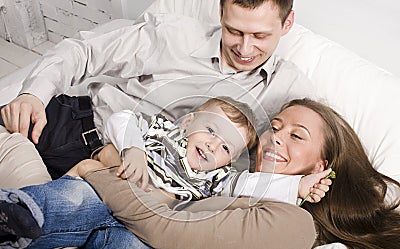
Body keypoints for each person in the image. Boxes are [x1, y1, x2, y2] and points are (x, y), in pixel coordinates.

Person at [81, 98, 399, 249]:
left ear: (320, 166)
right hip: (96, 241)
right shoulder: (229, 182)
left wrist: (98, 167)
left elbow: (161, 226)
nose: (274, 139)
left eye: (296, 135)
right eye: (274, 127)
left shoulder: (296, 224)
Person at [0, 0, 315, 172]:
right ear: (220, 12)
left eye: (260, 36)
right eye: (234, 31)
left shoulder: (289, 90)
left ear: (287, 24)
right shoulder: (173, 34)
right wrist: (33, 94)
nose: (244, 49)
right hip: (79, 129)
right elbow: (86, 52)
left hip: (139, 182)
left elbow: (323, 148)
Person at [101, 96, 330, 204]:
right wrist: (132, 148)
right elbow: (123, 118)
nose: (212, 145)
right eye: (211, 129)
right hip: (105, 193)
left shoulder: (215, 178)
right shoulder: (163, 132)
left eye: (225, 147)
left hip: (130, 227)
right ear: (187, 123)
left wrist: (298, 186)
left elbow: (251, 184)